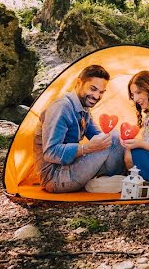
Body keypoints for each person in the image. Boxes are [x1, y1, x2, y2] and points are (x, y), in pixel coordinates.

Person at [34, 64, 127, 193]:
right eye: (93, 89)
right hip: (56, 177)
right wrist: (87, 148)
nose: (96, 96)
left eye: (101, 92)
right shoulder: (62, 108)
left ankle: (119, 179)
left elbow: (101, 136)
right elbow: (50, 153)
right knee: (114, 138)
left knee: (114, 136)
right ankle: (123, 180)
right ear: (79, 83)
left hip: (72, 167)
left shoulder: (83, 109)